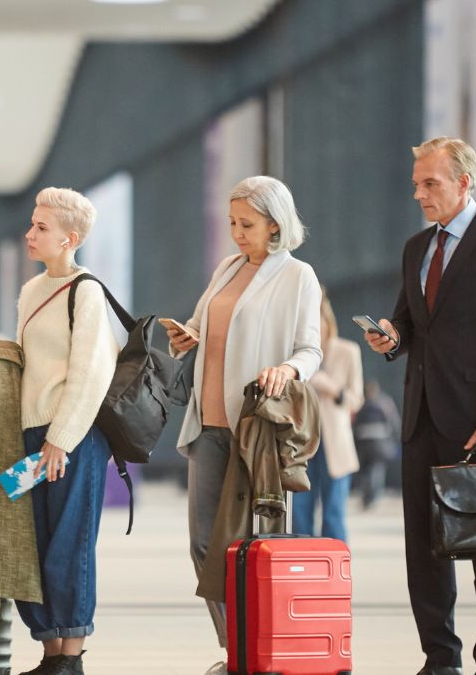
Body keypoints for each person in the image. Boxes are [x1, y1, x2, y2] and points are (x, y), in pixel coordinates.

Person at [364, 136, 476, 675]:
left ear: (464, 182)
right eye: (417, 183)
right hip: (421, 419)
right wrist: (391, 338)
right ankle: (440, 658)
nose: (419, 193)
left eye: (429, 183)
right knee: (424, 548)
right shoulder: (417, 248)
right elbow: (411, 324)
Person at [162, 175, 324, 666]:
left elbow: (311, 348)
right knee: (203, 543)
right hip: (209, 423)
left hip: (255, 429)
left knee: (253, 545)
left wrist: (287, 368)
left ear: (275, 224)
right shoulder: (227, 268)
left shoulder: (298, 277)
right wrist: (185, 336)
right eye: (232, 222)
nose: (237, 233)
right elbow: (202, 325)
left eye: (247, 224)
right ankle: (236, 648)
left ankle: (259, 651)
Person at [0, 187, 119, 675]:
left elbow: (90, 373)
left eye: (41, 228)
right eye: (32, 224)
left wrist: (62, 438)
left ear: (69, 238)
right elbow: (26, 359)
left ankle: (70, 656)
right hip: (31, 438)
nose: (30, 234)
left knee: (70, 543)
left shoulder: (87, 291)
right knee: (32, 540)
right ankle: (50, 650)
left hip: (72, 439)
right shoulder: (33, 291)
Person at [290, 292, 364, 544]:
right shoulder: (293, 355)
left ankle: (336, 574)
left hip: (337, 446)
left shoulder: (348, 351)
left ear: (326, 319)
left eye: (316, 319)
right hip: (302, 444)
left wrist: (331, 387)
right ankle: (304, 570)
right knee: (299, 515)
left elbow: (356, 399)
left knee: (333, 514)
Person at [352, 380, 401, 510]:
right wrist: (395, 440)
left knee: (366, 471)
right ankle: (372, 497)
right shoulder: (385, 403)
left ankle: (367, 497)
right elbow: (394, 423)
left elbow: (355, 424)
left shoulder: (361, 403)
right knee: (376, 471)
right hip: (380, 444)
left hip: (363, 443)